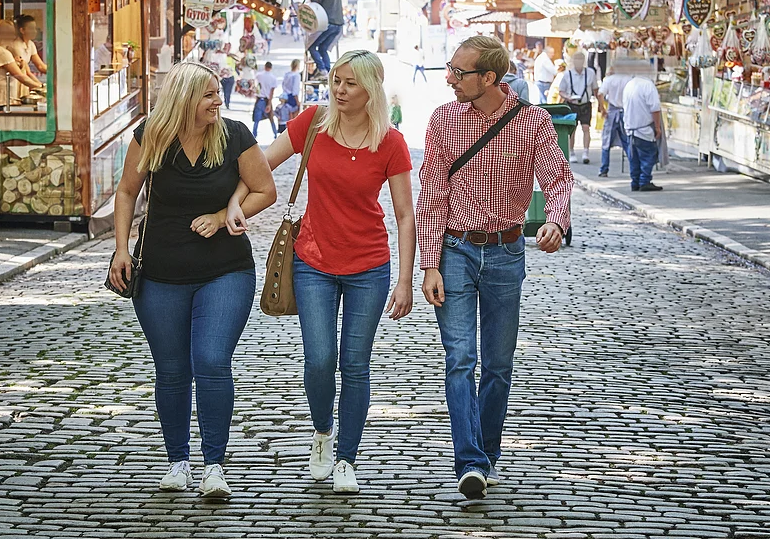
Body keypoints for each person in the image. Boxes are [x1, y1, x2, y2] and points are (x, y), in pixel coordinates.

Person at [230, 49, 415, 494]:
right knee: (319, 360)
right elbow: (262, 162)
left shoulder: (389, 142)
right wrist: (235, 201)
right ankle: (322, 434)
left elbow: (406, 215)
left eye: (350, 83)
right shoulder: (314, 121)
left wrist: (406, 278)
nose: (339, 89)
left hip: (369, 265)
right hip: (312, 260)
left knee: (355, 364)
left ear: (370, 89)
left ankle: (347, 458)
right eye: (336, 80)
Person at [108, 62, 277, 498]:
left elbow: (265, 190)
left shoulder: (235, 135)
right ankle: (177, 461)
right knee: (172, 369)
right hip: (161, 272)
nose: (217, 101)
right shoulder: (152, 135)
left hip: (225, 270)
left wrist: (224, 216)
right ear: (184, 98)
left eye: (218, 93)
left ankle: (214, 466)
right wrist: (122, 248)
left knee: (211, 360)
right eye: (208, 95)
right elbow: (126, 191)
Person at [417, 35, 573, 501]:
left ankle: (486, 454)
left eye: (459, 72)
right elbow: (432, 194)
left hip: (507, 252)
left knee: (499, 364)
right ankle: (469, 462)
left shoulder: (533, 122)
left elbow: (558, 177)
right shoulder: (444, 118)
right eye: (449, 67)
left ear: (490, 78)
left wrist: (557, 223)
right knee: (460, 358)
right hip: (457, 249)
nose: (449, 79)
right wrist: (429, 264)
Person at [0, 19, 44, 115]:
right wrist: (41, 88)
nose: (14, 37)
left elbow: (2, 68)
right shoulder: (1, 52)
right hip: (0, 98)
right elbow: (20, 76)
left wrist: (15, 62)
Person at [623, 72, 663, 192]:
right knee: (648, 155)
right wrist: (657, 127)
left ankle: (635, 181)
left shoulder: (629, 85)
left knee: (634, 157)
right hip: (644, 128)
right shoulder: (648, 85)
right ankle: (644, 180)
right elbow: (655, 108)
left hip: (631, 129)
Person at [557, 51, 599, 164]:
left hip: (585, 104)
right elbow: (561, 91)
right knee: (572, 130)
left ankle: (586, 152)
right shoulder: (568, 74)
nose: (579, 63)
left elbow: (595, 89)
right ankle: (571, 152)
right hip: (572, 104)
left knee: (586, 127)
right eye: (577, 60)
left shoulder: (590, 73)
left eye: (581, 60)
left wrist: (599, 103)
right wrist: (568, 97)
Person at [596, 62, 631, 178]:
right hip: (625, 111)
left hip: (612, 111)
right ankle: (633, 167)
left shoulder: (609, 80)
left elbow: (600, 94)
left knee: (606, 142)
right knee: (627, 142)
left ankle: (604, 169)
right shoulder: (628, 79)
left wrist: (602, 109)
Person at [308, 0, 345, 77]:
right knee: (323, 48)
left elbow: (317, 0)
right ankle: (327, 71)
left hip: (328, 22)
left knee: (311, 47)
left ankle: (322, 69)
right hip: (338, 24)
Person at [11, 15, 47, 97]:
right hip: (16, 82)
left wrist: (56, 72)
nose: (34, 31)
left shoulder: (30, 44)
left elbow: (40, 66)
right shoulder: (15, 46)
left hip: (24, 81)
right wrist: (40, 86)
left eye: (34, 28)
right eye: (31, 28)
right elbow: (26, 72)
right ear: (22, 30)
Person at [253, 61, 279, 138]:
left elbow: (255, 85)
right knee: (271, 118)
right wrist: (269, 104)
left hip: (259, 98)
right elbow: (272, 92)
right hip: (267, 99)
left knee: (256, 119)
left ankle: (254, 133)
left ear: (265, 66)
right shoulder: (273, 78)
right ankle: (275, 134)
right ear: (271, 68)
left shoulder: (259, 75)